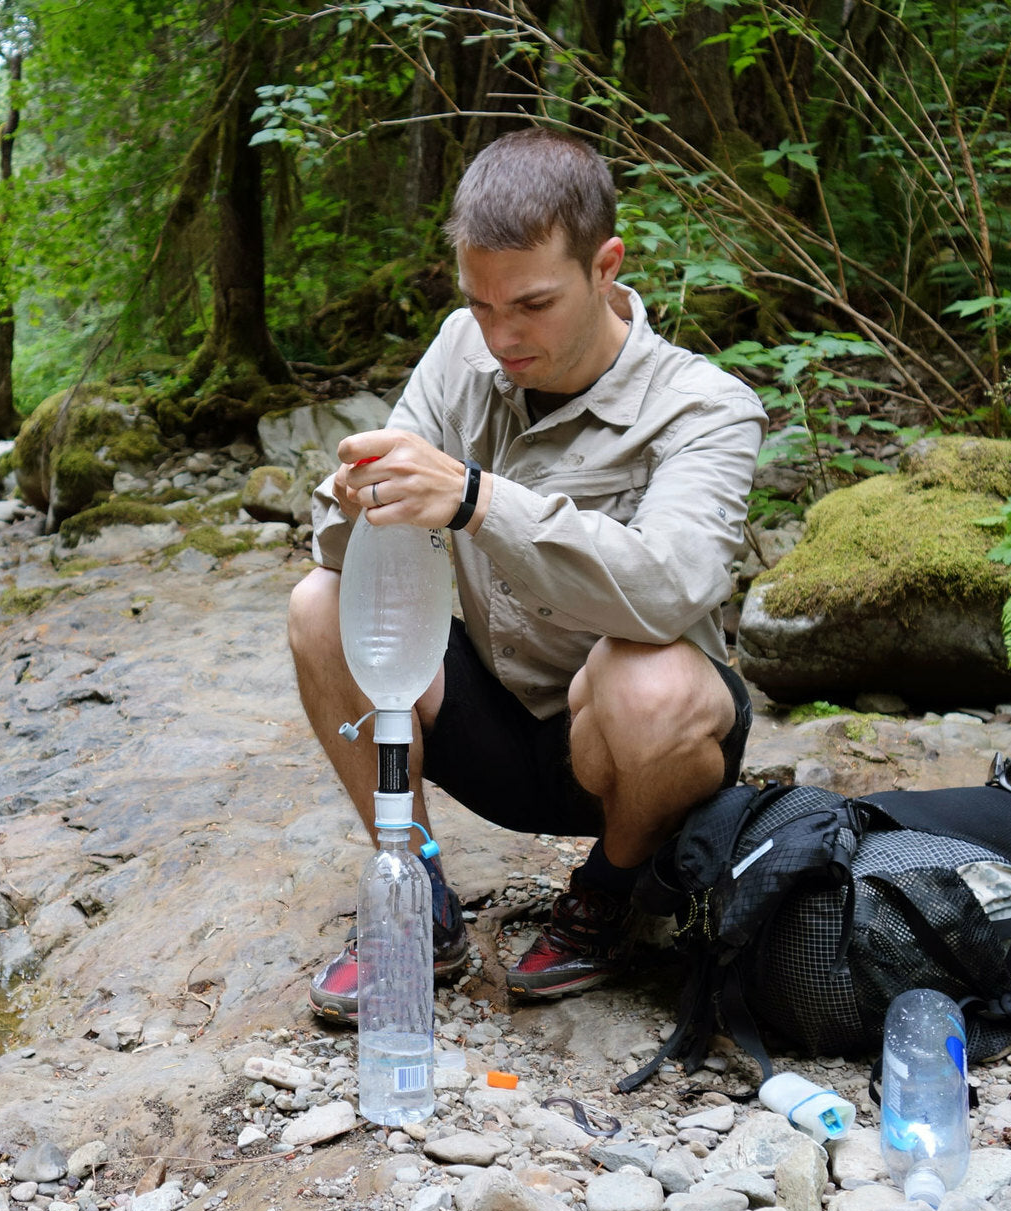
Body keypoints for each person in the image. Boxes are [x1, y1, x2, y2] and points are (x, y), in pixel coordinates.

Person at [288, 126, 767, 1021]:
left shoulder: (705, 406)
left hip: (634, 750)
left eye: (532, 305)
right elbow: (338, 549)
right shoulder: (458, 352)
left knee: (650, 679)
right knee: (319, 606)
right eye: (480, 304)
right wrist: (357, 502)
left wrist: (474, 499)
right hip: (490, 719)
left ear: (605, 265)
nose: (501, 336)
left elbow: (670, 586)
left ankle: (611, 894)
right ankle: (416, 890)